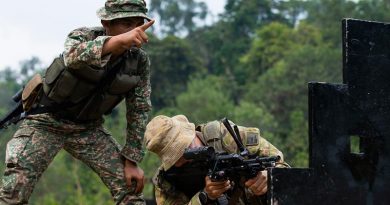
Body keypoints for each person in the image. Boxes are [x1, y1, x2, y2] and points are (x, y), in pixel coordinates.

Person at [0, 0, 154, 204]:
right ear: (106, 23)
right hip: (46, 122)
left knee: (130, 189)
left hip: (87, 130)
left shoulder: (138, 61)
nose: (134, 30)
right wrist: (116, 43)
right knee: (13, 191)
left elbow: (139, 109)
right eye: (126, 23)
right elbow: (73, 56)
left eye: (138, 23)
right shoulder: (83, 36)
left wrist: (131, 159)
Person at [145, 115, 290, 205]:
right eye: (177, 156)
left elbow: (284, 166)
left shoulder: (231, 138)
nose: (187, 157)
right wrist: (205, 197)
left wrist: (271, 176)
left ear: (192, 132)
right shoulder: (167, 181)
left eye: (186, 148)